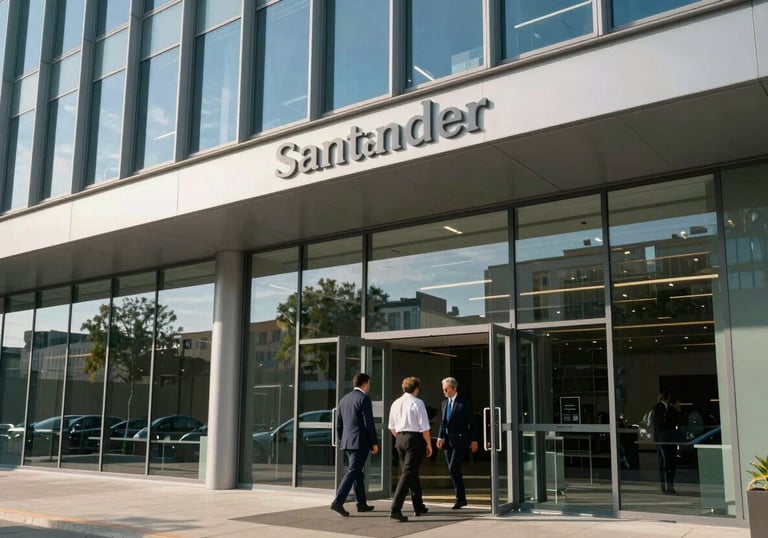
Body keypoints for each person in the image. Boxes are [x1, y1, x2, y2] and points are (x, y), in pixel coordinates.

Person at [330, 372, 379, 517]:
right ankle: (338, 502)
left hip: (347, 442)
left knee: (358, 472)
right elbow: (368, 423)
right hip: (360, 442)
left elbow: (338, 423)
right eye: (368, 384)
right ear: (364, 384)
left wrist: (341, 440)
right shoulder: (364, 398)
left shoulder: (344, 399)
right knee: (353, 471)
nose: (369, 386)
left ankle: (361, 503)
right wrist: (374, 442)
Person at [387, 376, 432, 522]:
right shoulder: (417, 403)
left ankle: (418, 506)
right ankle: (395, 508)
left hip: (399, 438)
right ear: (416, 389)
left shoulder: (395, 403)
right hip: (413, 439)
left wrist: (401, 437)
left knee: (411, 473)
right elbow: (424, 427)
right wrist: (428, 444)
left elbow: (391, 427)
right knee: (408, 473)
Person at [436, 377, 478, 509]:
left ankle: (460, 498)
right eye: (443, 389)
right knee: (453, 470)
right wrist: (440, 437)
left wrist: (474, 440)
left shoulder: (463, 403)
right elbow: (443, 422)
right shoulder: (444, 403)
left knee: (453, 468)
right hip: (447, 441)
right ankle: (461, 498)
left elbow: (472, 423)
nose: (444, 392)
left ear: (454, 388)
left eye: (446, 389)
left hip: (460, 440)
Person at [652, 391, 678, 494]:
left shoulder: (670, 408)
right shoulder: (658, 407)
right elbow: (660, 422)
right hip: (662, 439)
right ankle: (665, 486)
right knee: (665, 462)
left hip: (670, 438)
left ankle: (670, 485)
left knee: (671, 462)